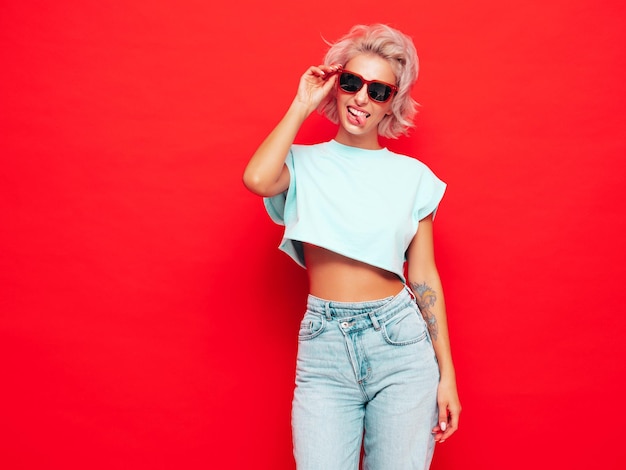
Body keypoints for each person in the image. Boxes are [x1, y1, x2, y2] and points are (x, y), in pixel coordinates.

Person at [243, 24, 461, 470]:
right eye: (352, 83)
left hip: (400, 345)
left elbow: (423, 276)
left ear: (391, 105)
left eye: (378, 91)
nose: (361, 98)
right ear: (336, 86)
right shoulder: (302, 164)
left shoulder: (413, 178)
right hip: (324, 347)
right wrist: (302, 103)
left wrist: (447, 376)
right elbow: (257, 180)